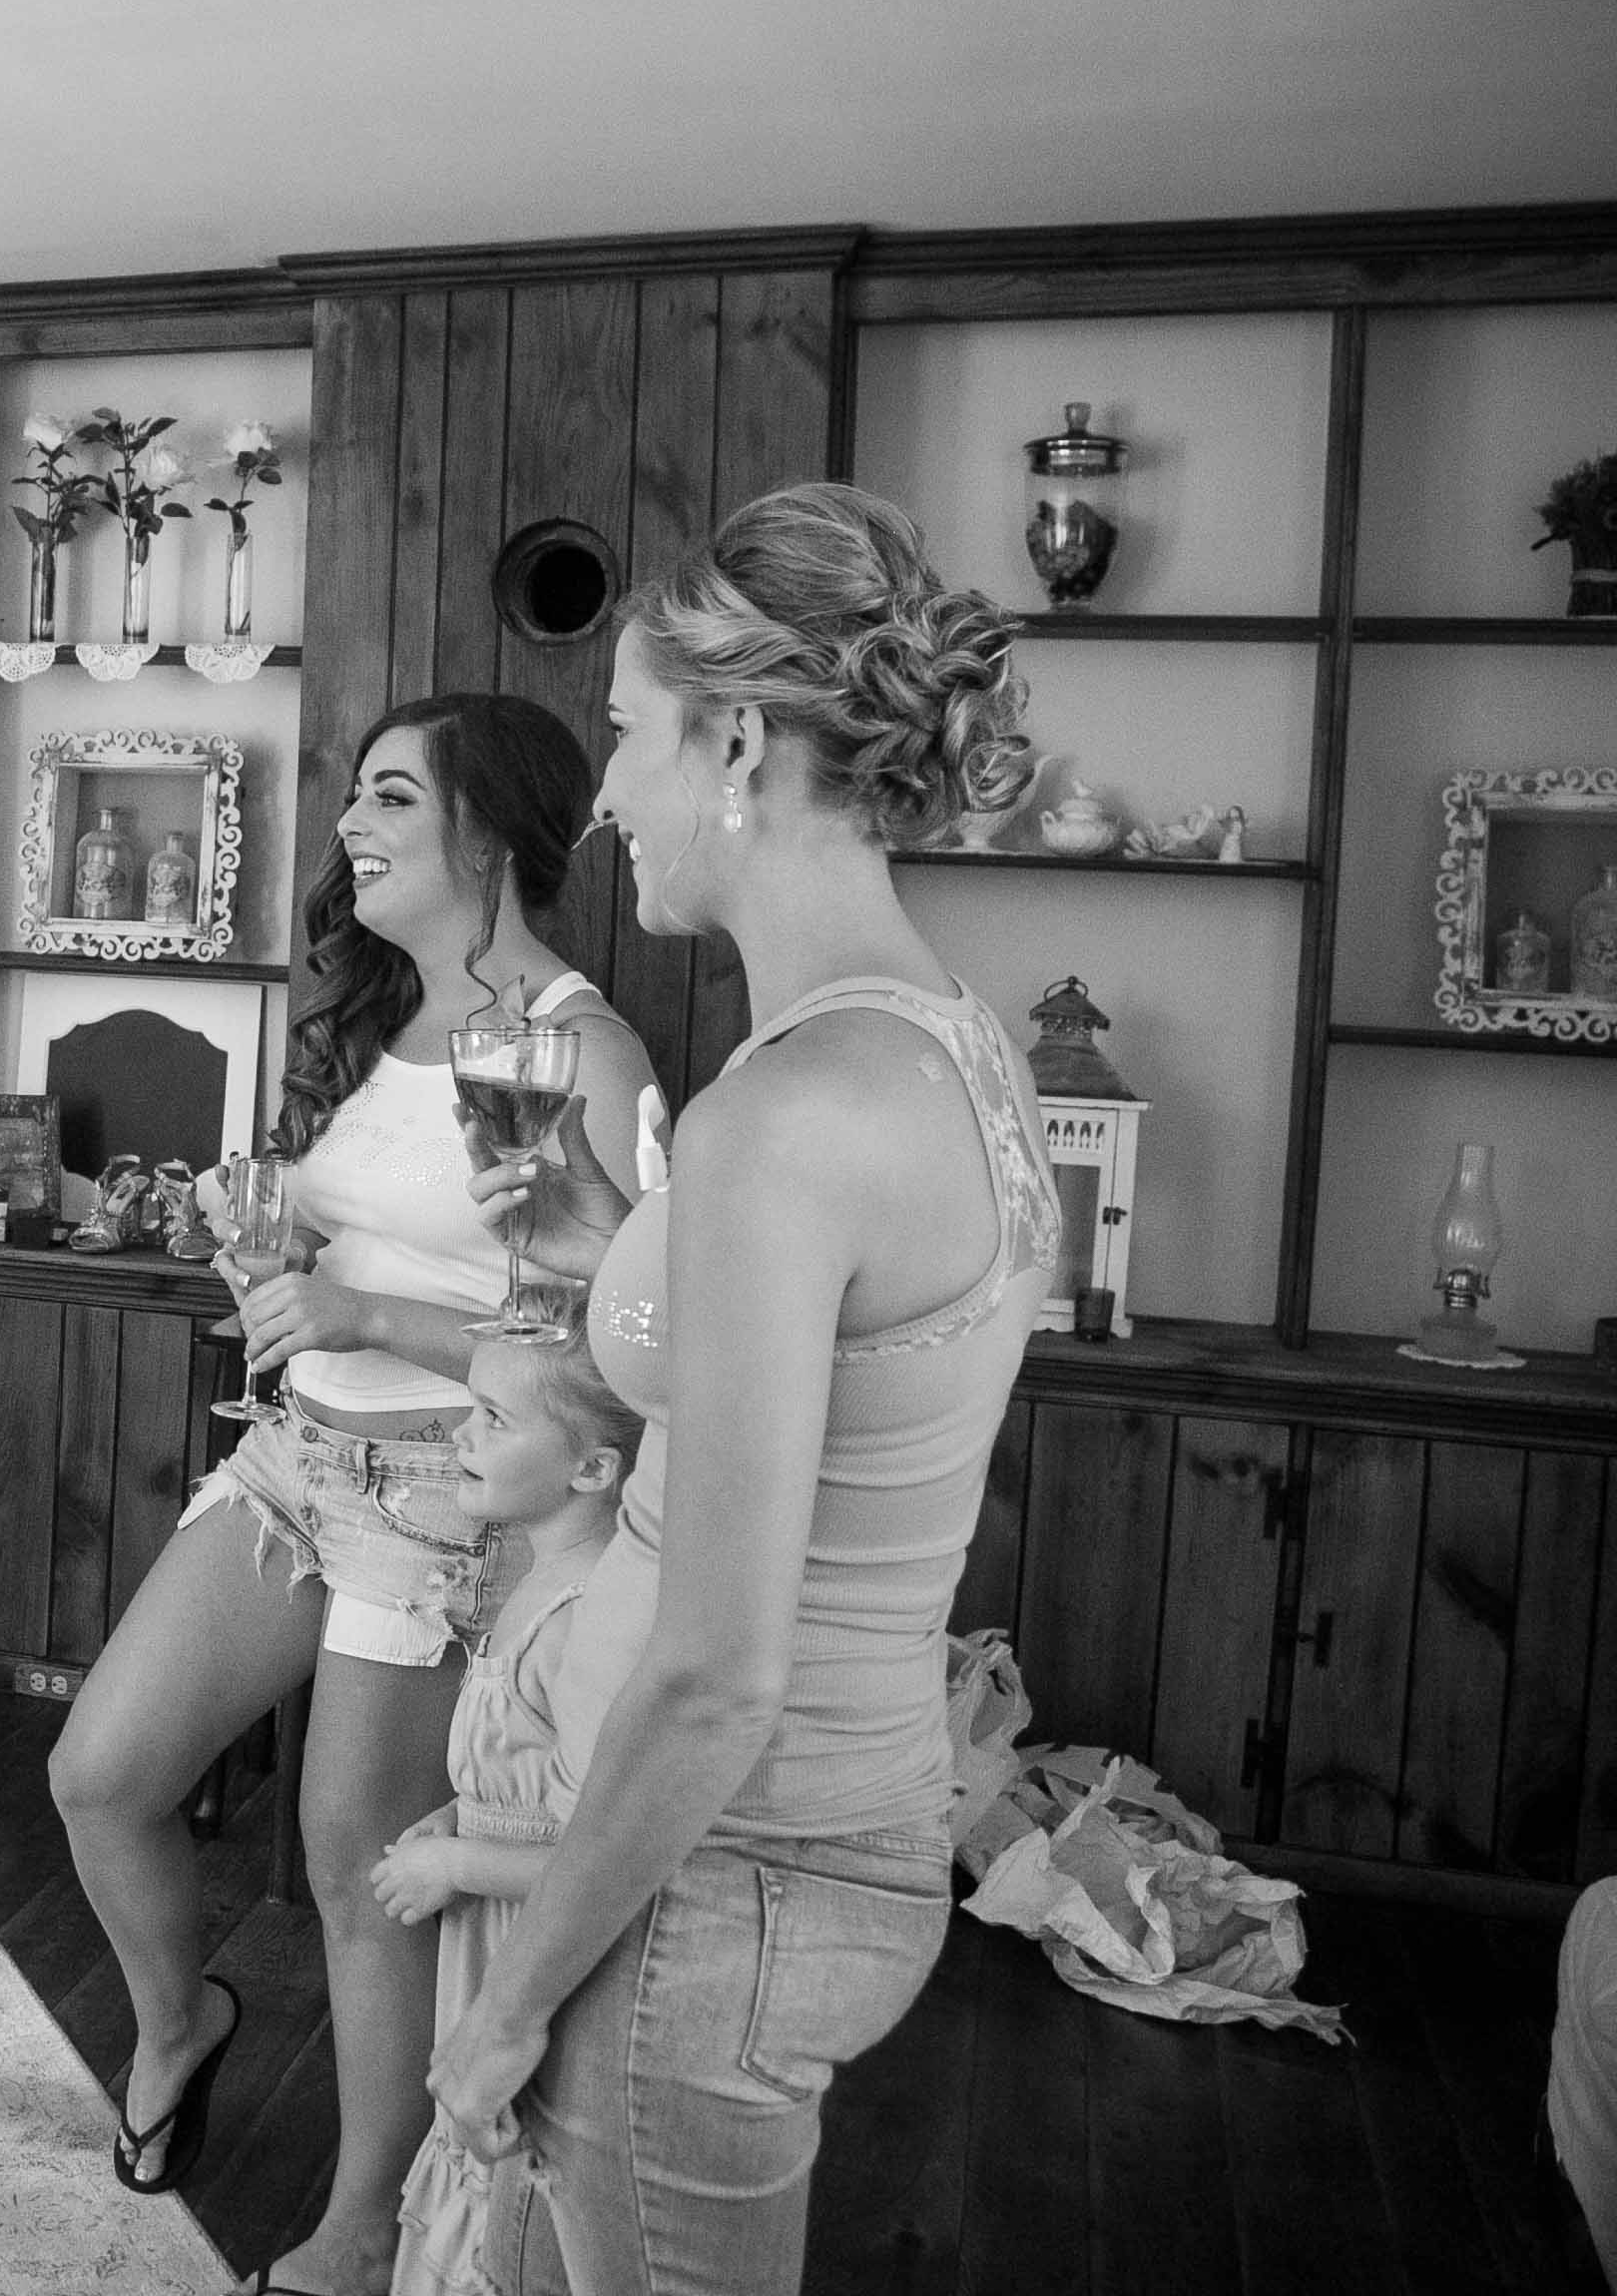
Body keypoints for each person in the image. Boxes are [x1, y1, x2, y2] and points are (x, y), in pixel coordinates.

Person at [429, 483, 1055, 2296]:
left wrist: (510, 2001)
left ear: (737, 745)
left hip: (712, 1884)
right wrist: (604, 1245)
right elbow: (809, 1398)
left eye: (628, 735)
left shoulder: (784, 1116)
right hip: (801, 1842)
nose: (605, 798)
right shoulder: (950, 1047)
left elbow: (717, 1673)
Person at [50, 694, 662, 2296]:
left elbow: (599, 1351)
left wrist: (367, 1314)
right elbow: (364, 1243)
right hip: (294, 1458)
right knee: (101, 1773)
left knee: (352, 1861)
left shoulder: (561, 1046)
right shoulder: (382, 1016)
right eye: (357, 796)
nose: (350, 825)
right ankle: (183, 2022)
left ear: (491, 832)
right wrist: (275, 1261)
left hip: (442, 1494)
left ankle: (365, 2219)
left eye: (392, 795)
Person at [367, 1338, 643, 2296]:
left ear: (593, 1469)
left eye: (494, 1419)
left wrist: (456, 1867)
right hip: (494, 1931)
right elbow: (531, 1774)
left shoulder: (585, 1617)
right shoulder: (538, 1577)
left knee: (517, 2178)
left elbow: (614, 1853)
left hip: (546, 1953)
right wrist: (459, 1815)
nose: (461, 1433)